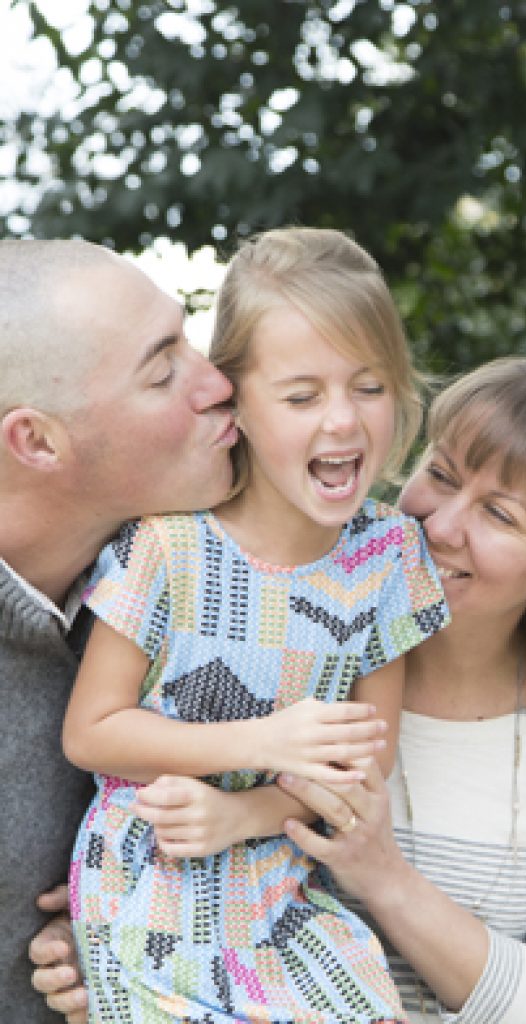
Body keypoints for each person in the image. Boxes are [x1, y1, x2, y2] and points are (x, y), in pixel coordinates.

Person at [60, 227, 450, 1023]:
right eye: (302, 396)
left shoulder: (388, 558)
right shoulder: (168, 544)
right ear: (234, 397)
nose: (342, 421)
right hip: (153, 885)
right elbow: (92, 732)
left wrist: (245, 812)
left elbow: (359, 776)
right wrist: (258, 744)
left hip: (286, 889)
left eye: (370, 387)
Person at [276, 355, 526, 1023]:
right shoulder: (284, 651)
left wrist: (384, 876)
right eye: (441, 475)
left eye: (499, 515)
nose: (440, 525)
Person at [0, 237, 238, 1024]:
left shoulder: (203, 585)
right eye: (163, 369)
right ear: (36, 442)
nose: (218, 384)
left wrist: (117, 931)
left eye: (188, 339)